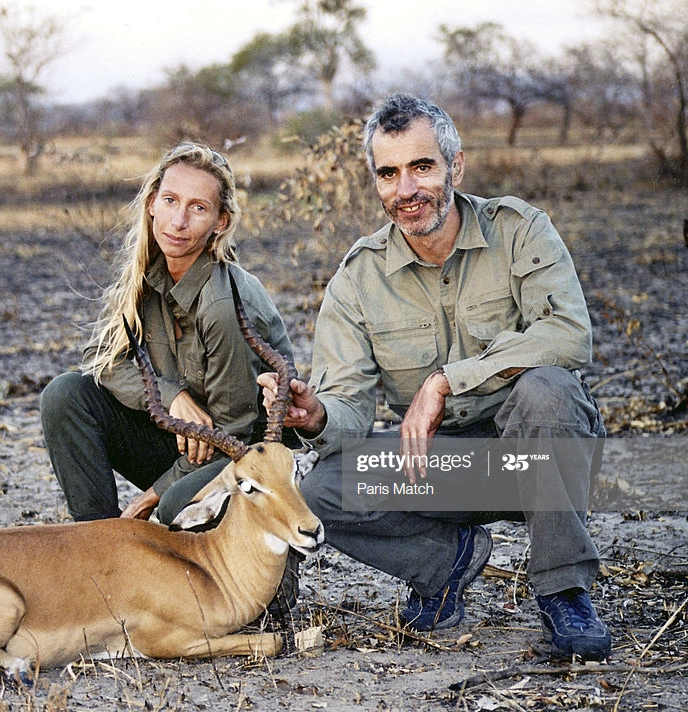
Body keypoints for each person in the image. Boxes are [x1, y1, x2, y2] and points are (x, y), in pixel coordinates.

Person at [259, 94, 611, 660]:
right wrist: (317, 414)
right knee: (321, 487)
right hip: (445, 471)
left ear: (456, 166)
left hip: (540, 460)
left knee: (548, 389)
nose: (406, 190)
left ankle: (565, 590)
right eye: (388, 173)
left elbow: (570, 334)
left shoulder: (520, 230)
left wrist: (445, 380)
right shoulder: (357, 279)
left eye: (422, 167)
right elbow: (346, 404)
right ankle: (445, 562)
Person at [40, 142, 293, 527]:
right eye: (171, 200)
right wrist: (171, 396)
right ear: (152, 203)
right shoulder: (145, 274)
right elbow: (101, 360)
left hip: (241, 458)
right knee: (65, 395)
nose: (178, 221)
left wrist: (153, 494)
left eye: (198, 208)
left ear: (220, 222)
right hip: (183, 443)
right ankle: (98, 542)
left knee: (176, 506)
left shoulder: (224, 303)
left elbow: (234, 433)